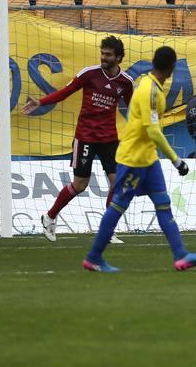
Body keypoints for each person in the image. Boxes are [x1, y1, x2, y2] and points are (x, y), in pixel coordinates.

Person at [82, 45, 196, 273]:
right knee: (118, 206)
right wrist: (175, 160)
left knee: (163, 203)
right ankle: (94, 257)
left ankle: (181, 256)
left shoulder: (150, 86)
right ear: (171, 68)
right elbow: (153, 131)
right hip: (133, 159)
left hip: (148, 160)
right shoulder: (150, 92)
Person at [21, 35, 135, 242]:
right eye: (102, 53)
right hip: (85, 137)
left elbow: (133, 108)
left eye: (108, 55)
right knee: (80, 184)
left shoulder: (126, 82)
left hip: (109, 138)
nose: (103, 57)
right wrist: (40, 101)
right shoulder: (89, 74)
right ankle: (50, 216)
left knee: (117, 183)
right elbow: (65, 92)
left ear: (118, 57)